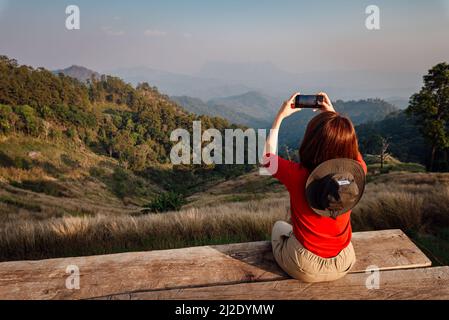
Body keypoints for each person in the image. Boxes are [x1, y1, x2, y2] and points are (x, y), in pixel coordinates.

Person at [262, 92, 367, 283]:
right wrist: (335, 118)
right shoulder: (358, 173)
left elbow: (266, 159)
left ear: (311, 142)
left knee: (280, 226)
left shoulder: (299, 176)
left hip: (305, 266)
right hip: (344, 261)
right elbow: (352, 151)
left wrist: (280, 117)